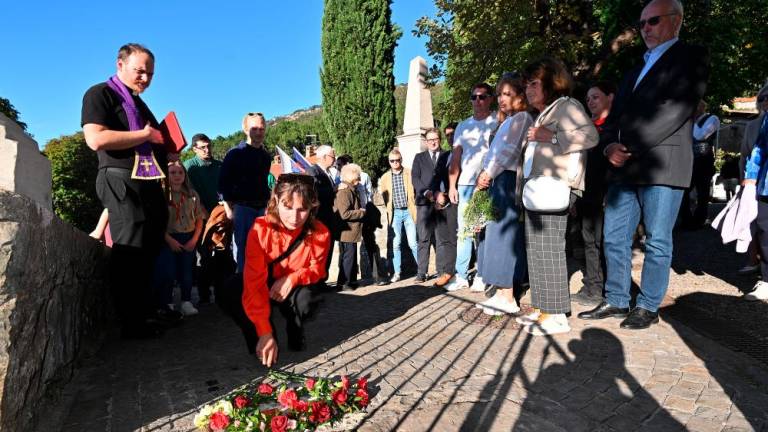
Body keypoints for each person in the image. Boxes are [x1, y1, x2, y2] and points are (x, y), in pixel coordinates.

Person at [579, 0, 709, 329]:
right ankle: (617, 299)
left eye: (652, 21)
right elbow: (614, 114)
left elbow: (675, 109)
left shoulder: (691, 56)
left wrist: (630, 146)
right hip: (624, 167)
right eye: (641, 24)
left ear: (676, 21)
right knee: (614, 236)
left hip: (662, 165)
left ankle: (648, 305)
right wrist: (609, 145)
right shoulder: (636, 69)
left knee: (657, 239)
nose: (646, 29)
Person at [82, 43, 172, 339]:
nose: (145, 79)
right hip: (118, 176)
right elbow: (95, 139)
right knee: (130, 245)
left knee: (152, 239)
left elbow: (154, 140)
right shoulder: (99, 93)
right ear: (120, 65)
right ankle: (130, 322)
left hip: (147, 179)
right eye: (140, 71)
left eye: (150, 74)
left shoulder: (139, 104)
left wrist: (167, 147)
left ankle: (146, 311)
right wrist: (144, 135)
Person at [517, 57, 598, 335]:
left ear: (552, 83)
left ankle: (557, 315)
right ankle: (543, 308)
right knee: (536, 252)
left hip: (555, 188)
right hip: (538, 191)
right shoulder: (544, 113)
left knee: (549, 251)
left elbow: (590, 136)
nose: (528, 89)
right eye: (526, 84)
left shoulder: (567, 106)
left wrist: (551, 137)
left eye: (534, 83)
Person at [242, 173, 331, 366]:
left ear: (312, 207)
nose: (295, 217)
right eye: (288, 207)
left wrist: (293, 278)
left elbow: (318, 270)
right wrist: (265, 332)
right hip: (265, 280)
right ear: (276, 201)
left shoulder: (320, 232)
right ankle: (259, 337)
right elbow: (254, 282)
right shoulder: (260, 229)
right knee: (233, 291)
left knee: (307, 298)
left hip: (295, 285)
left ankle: (295, 325)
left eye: (303, 209)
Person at [473, 73, 533, 315]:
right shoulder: (507, 120)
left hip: (506, 180)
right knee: (494, 236)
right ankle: (500, 292)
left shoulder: (522, 118)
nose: (501, 99)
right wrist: (486, 173)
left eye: (507, 94)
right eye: (499, 94)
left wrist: (488, 173)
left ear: (520, 95)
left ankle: (508, 297)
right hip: (497, 179)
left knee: (504, 236)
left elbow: (509, 152)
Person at [446, 83, 498, 292]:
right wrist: (452, 185)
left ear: (490, 98)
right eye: (474, 97)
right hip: (466, 184)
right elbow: (456, 158)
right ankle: (461, 276)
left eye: (483, 96)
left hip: (488, 184)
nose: (478, 101)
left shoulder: (498, 121)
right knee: (464, 232)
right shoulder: (463, 126)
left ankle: (483, 274)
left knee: (483, 231)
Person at [572, 81, 616, 306]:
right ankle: (593, 286)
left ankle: (612, 288)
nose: (590, 102)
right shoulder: (587, 128)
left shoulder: (617, 127)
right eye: (588, 99)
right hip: (587, 193)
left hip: (609, 194)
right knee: (589, 241)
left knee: (607, 242)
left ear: (611, 97)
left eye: (595, 97)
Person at [218, 113, 272, 273]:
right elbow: (223, 184)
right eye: (254, 128)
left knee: (262, 248)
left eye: (262, 128)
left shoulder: (265, 156)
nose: (258, 132)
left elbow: (263, 184)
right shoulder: (234, 154)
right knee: (242, 249)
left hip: (262, 209)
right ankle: (241, 286)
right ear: (245, 129)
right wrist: (229, 210)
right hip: (242, 209)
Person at [153, 161, 205, 316]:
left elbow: (199, 219)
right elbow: (156, 222)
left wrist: (194, 240)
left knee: (187, 272)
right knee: (167, 272)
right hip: (168, 238)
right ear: (165, 175)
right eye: (172, 173)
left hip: (188, 237)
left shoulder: (192, 194)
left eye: (180, 172)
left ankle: (186, 301)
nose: (177, 176)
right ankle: (167, 302)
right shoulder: (160, 194)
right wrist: (169, 240)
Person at [184, 133, 224, 304]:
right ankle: (204, 295)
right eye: (203, 147)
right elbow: (186, 191)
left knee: (224, 254)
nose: (207, 150)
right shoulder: (188, 168)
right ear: (194, 149)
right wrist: (200, 209)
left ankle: (223, 293)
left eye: (209, 146)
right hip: (199, 218)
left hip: (221, 215)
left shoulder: (219, 166)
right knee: (203, 257)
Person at [336, 155, 388, 285]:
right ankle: (346, 280)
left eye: (340, 165)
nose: (339, 168)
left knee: (371, 245)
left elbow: (370, 194)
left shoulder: (364, 176)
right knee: (347, 250)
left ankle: (378, 277)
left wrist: (367, 212)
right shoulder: (341, 182)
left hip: (365, 215)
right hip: (354, 218)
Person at [411, 128, 448, 282]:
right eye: (430, 139)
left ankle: (441, 271)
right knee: (424, 239)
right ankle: (421, 272)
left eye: (435, 139)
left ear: (439, 140)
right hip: (424, 203)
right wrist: (426, 192)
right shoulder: (419, 158)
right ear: (426, 142)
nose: (433, 142)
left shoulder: (447, 155)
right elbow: (415, 178)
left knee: (441, 238)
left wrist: (443, 195)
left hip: (442, 203)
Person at [379, 148, 418, 282]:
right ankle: (397, 273)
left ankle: (421, 270)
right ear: (389, 162)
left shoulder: (409, 173)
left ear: (401, 160)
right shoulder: (384, 178)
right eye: (392, 161)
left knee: (413, 243)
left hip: (408, 211)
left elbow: (416, 190)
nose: (395, 163)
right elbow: (385, 198)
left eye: (397, 160)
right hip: (395, 213)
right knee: (396, 244)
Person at [680, 100, 720, 228]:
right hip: (688, 159)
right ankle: (686, 219)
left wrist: (691, 120)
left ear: (700, 107)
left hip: (703, 160)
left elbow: (700, 135)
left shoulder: (712, 118)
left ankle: (699, 220)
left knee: (702, 193)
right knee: (683, 190)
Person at [430, 124, 460, 288]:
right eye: (447, 135)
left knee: (455, 238)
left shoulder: (463, 154)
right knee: (444, 239)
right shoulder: (444, 156)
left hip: (456, 201)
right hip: (441, 204)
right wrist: (436, 194)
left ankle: (454, 273)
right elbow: (435, 178)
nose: (450, 137)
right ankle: (447, 272)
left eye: (452, 134)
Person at [306, 145, 338, 274]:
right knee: (319, 250)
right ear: (324, 157)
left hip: (328, 216)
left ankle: (323, 278)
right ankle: (317, 281)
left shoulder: (327, 172)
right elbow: (313, 192)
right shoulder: (313, 171)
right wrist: (333, 189)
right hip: (319, 217)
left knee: (328, 248)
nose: (334, 159)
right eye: (332, 156)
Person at [334, 164, 366, 290]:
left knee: (350, 257)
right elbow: (344, 214)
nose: (359, 179)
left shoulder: (351, 189)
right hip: (347, 231)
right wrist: (361, 212)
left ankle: (350, 281)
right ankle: (345, 282)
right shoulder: (345, 191)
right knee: (348, 257)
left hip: (351, 230)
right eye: (357, 176)